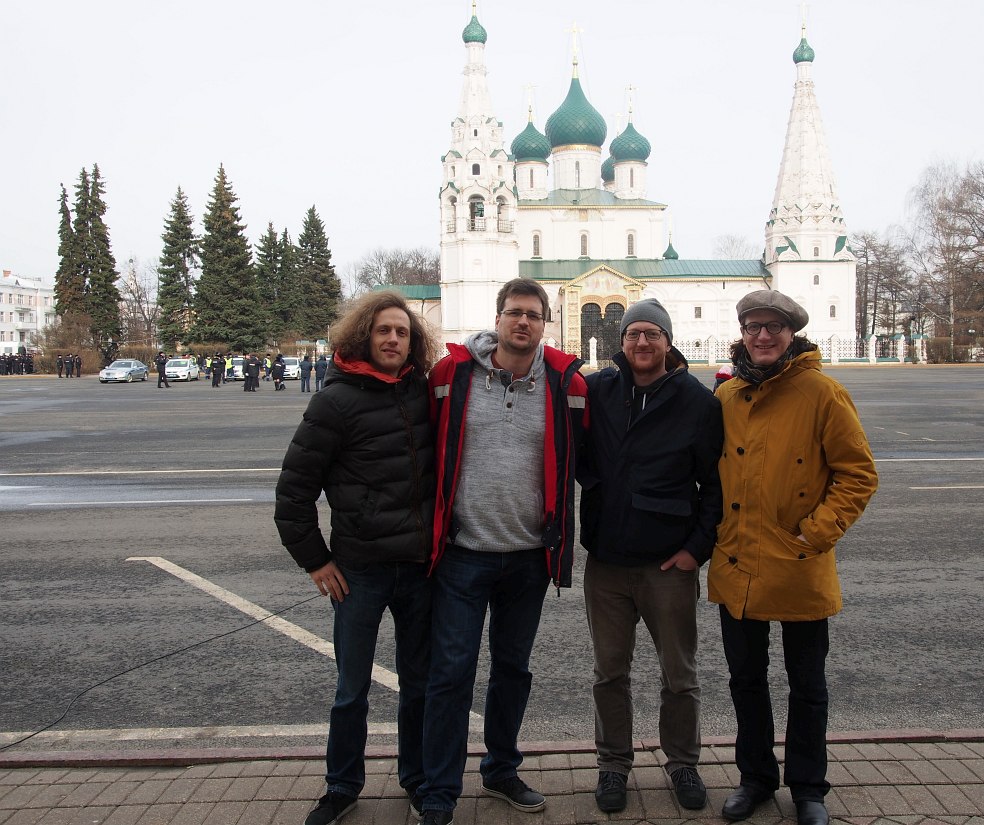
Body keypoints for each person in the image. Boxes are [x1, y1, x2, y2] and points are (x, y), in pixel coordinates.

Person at [416, 278, 588, 825]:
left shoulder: (565, 383)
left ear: (545, 323)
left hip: (527, 558)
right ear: (497, 318)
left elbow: (595, 451)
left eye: (534, 315)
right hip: (464, 553)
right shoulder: (452, 375)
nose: (523, 323)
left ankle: (501, 769)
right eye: (514, 313)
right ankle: (439, 790)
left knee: (513, 669)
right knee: (451, 672)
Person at [711, 290, 878, 825]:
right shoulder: (727, 398)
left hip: (798, 561)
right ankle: (756, 777)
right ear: (742, 333)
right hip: (738, 561)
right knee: (746, 680)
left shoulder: (822, 394)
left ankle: (809, 788)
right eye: (753, 326)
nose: (762, 336)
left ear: (791, 335)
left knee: (807, 685)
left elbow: (857, 473)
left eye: (773, 328)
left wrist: (815, 534)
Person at [275, 291, 438, 825]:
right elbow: (294, 493)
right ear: (363, 335)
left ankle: (415, 780)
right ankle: (342, 785)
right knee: (352, 689)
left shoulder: (423, 393)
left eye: (403, 332)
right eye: (384, 331)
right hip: (359, 571)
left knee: (418, 685)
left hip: (418, 569)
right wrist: (316, 561)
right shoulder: (335, 402)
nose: (393, 340)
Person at [579, 299, 723, 814]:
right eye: (634, 333)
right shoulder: (596, 392)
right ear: (621, 341)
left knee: (678, 674)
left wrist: (695, 550)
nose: (642, 343)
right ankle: (613, 765)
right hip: (609, 563)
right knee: (609, 672)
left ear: (668, 341)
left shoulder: (697, 402)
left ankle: (682, 762)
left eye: (652, 334)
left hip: (668, 563)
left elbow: (715, 485)